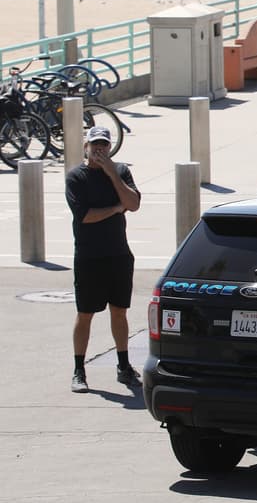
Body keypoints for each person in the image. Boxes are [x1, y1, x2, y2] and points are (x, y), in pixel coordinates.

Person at [65, 126, 142, 393]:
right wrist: (116, 208)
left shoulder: (120, 171)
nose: (99, 149)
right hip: (89, 256)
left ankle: (123, 365)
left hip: (119, 254)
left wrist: (112, 173)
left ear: (110, 148)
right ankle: (79, 370)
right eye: (94, 145)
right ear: (85, 147)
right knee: (85, 313)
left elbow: (133, 204)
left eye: (104, 145)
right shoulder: (76, 177)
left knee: (119, 311)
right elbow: (85, 216)